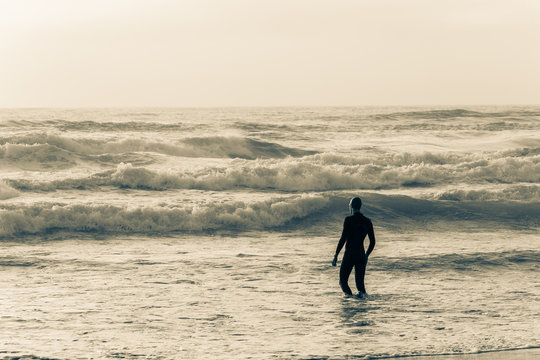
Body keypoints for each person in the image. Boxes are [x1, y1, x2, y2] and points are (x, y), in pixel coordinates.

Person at [332, 197, 376, 297]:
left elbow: (343, 239)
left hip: (349, 254)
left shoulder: (348, 220)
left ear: (351, 207)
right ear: (360, 206)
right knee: (360, 285)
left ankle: (351, 301)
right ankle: (361, 305)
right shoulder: (367, 221)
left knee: (343, 281)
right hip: (361, 255)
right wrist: (367, 255)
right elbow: (373, 242)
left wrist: (336, 255)